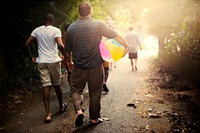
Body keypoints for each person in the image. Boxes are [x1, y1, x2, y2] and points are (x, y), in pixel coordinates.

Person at [65, 2, 129, 127]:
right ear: (90, 11)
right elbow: (116, 35)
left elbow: (67, 51)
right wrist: (126, 45)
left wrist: (68, 62)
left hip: (79, 66)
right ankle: (94, 118)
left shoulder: (71, 28)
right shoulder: (98, 24)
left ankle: (79, 111)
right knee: (95, 91)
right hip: (95, 65)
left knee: (76, 90)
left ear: (79, 12)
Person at [25, 13, 68, 123]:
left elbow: (26, 44)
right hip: (53, 61)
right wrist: (65, 56)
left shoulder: (37, 30)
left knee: (46, 86)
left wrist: (31, 57)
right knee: (57, 85)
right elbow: (60, 45)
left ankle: (48, 114)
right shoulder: (55, 30)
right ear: (52, 21)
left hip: (41, 62)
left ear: (44, 21)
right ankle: (61, 106)